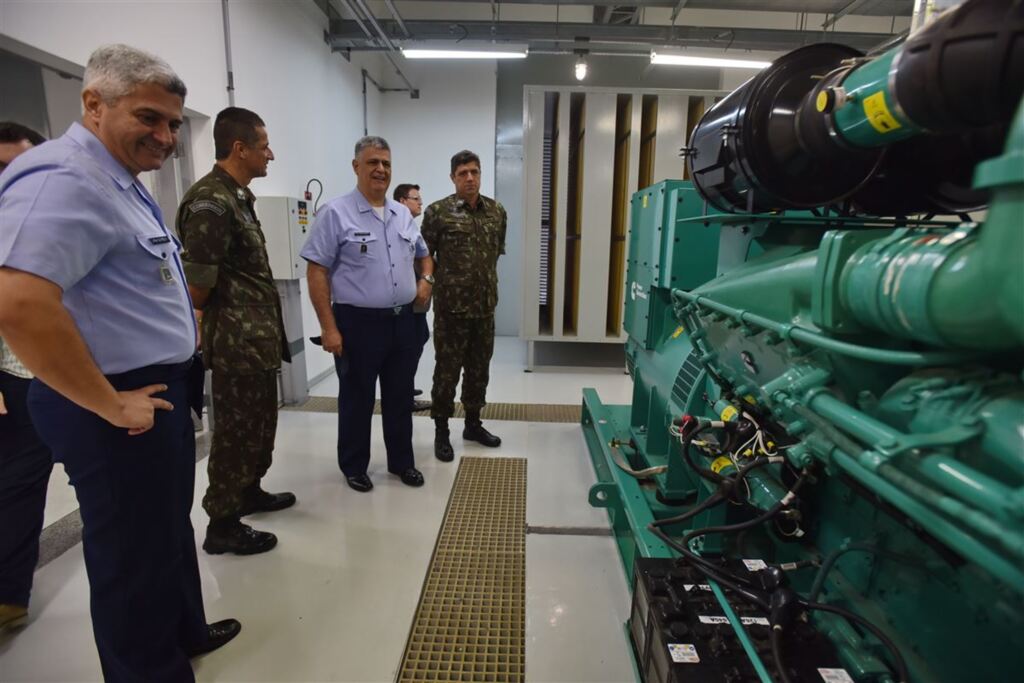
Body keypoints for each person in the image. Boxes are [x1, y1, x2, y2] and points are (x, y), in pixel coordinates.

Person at [0, 44, 238, 681]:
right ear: (94, 104)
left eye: (173, 123)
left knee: (165, 531)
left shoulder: (118, 180)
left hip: (154, 390)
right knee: (132, 557)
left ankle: (183, 632)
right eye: (148, 118)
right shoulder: (64, 178)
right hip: (112, 402)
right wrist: (108, 403)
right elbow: (18, 304)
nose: (164, 136)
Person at [177, 107, 295, 556]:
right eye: (264, 146)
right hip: (235, 343)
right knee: (235, 433)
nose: (271, 154)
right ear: (240, 149)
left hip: (256, 340)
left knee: (259, 425)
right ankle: (222, 523)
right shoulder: (211, 201)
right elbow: (198, 286)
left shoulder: (239, 197)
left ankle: (249, 491)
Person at [301, 136, 433, 492]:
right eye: (373, 162)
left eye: (386, 163)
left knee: (400, 396)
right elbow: (317, 272)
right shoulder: (335, 213)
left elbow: (424, 254)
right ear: (356, 166)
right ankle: (354, 466)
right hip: (357, 323)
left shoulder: (402, 214)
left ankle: (401, 462)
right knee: (357, 398)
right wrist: (328, 328)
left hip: (403, 321)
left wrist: (426, 280)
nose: (380, 169)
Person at [421, 150, 506, 462]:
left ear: (480, 174)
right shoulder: (437, 213)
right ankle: (441, 430)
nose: (469, 178)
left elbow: (495, 253)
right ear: (453, 177)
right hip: (451, 311)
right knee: (446, 372)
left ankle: (473, 424)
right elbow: (423, 256)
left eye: (474, 172)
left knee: (479, 370)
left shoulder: (496, 212)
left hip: (484, 309)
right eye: (462, 173)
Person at [0, 122, 49, 634]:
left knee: (19, 485)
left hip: (58, 377)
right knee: (15, 486)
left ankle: (10, 594)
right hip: (13, 379)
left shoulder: (53, 223)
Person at [393, 182, 432, 412]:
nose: (420, 203)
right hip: (405, 304)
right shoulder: (394, 227)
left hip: (417, 302)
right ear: (402, 201)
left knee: (420, 338)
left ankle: (406, 387)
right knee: (410, 347)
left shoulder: (411, 226)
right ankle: (404, 395)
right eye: (415, 199)